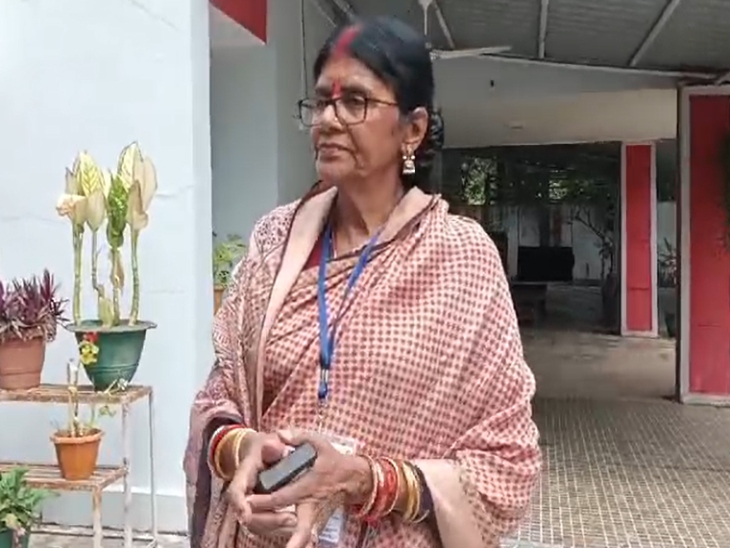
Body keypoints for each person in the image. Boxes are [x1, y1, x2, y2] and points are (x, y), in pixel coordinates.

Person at [184, 15, 541, 548]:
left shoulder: (461, 258)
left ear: (412, 129)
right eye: (321, 102)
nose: (328, 119)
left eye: (355, 101)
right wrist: (243, 448)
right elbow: (217, 400)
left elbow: (506, 461)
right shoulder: (275, 240)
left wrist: (364, 479)